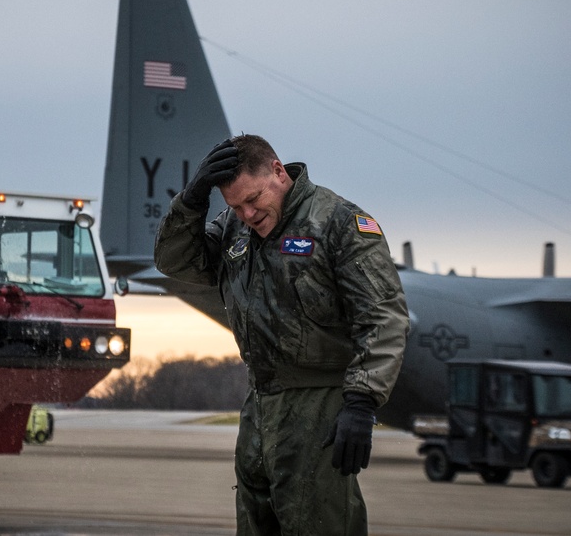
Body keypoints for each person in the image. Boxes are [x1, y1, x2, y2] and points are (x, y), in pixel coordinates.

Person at [154, 134, 409, 536]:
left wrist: (362, 402)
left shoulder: (339, 224)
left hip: (319, 408)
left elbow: (384, 316)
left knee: (321, 524)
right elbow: (174, 261)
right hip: (259, 406)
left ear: (278, 171)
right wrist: (192, 199)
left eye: (253, 199)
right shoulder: (234, 231)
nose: (248, 214)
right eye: (236, 206)